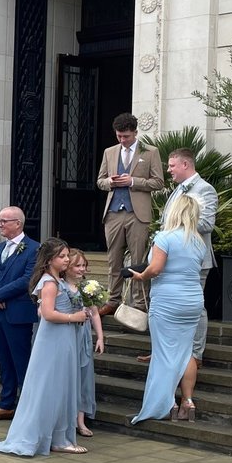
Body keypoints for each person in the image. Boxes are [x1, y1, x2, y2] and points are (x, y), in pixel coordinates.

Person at [0, 238, 91, 455]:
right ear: (49, 260)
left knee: (61, 386)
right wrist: (74, 317)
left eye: (67, 255)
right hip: (55, 339)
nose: (66, 259)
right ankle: (57, 439)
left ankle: (56, 436)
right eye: (62, 256)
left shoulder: (57, 281)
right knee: (53, 386)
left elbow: (44, 308)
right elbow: (47, 314)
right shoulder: (50, 283)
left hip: (63, 338)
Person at [129, 196, 207, 423]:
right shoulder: (198, 242)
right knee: (186, 352)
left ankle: (168, 403)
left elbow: (156, 268)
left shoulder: (164, 237)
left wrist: (141, 276)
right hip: (192, 300)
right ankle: (188, 401)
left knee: (164, 352)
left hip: (168, 300)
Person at [139, 148, 218, 364]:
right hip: (168, 259)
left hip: (193, 260)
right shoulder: (178, 189)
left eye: (172, 166)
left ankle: (195, 355)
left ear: (185, 164)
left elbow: (207, 224)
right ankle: (163, 351)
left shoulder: (205, 189)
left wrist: (174, 227)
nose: (168, 170)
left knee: (196, 307)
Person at [94, 113, 163, 316]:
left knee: (138, 259)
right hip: (113, 213)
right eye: (119, 136)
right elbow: (100, 181)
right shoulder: (109, 152)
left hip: (138, 214)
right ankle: (112, 300)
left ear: (135, 133)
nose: (122, 140)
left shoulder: (150, 152)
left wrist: (133, 181)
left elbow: (158, 182)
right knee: (113, 260)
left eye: (126, 136)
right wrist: (110, 182)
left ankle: (139, 304)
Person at [0, 206, 40, 421]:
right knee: (4, 361)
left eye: (4, 221)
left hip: (18, 314)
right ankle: (5, 404)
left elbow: (28, 279)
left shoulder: (34, 249)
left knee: (21, 361)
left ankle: (27, 408)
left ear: (18, 223)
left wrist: (0, 295)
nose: (0, 224)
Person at [67, 249, 104, 437]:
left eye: (84, 265)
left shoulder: (87, 287)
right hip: (68, 334)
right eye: (77, 265)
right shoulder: (60, 286)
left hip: (83, 335)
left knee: (84, 378)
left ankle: (80, 420)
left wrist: (100, 337)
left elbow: (95, 313)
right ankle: (67, 418)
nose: (82, 269)